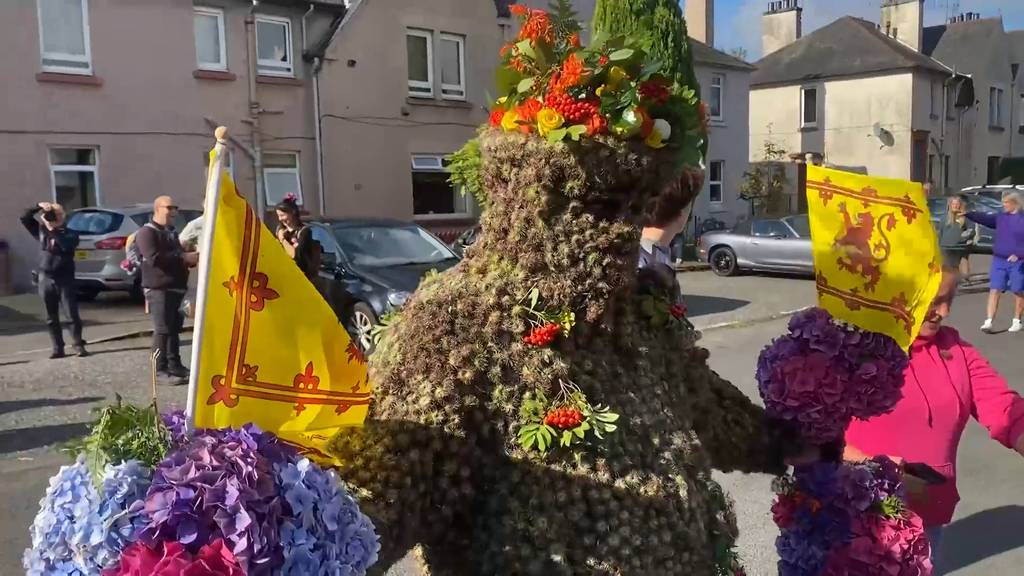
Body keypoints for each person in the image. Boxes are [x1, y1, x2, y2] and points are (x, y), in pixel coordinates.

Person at [844, 268, 1024, 573]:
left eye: (949, 300)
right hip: (858, 520)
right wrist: (872, 464)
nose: (944, 312)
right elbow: (809, 435)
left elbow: (1005, 408)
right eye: (934, 301)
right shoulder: (852, 351)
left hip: (927, 519)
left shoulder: (955, 349)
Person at [135, 196, 197, 384]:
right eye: (169, 208)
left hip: (175, 287)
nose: (173, 212)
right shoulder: (146, 232)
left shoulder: (170, 232)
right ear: (157, 209)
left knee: (174, 329)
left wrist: (190, 259)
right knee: (162, 329)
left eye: (175, 208)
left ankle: (175, 365)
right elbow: (154, 258)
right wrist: (184, 258)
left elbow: (177, 255)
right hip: (158, 288)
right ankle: (159, 369)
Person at [20, 202, 88, 358]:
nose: (54, 218)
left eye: (57, 215)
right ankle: (58, 348)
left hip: (65, 279)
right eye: (52, 215)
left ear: (63, 217)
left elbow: (65, 246)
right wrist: (38, 206)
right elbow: (24, 218)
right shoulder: (41, 231)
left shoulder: (71, 233)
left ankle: (78, 345)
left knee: (71, 314)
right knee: (51, 317)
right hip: (45, 278)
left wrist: (53, 230)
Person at [966, 190, 1024, 332]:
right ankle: (989, 321)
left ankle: (1017, 320)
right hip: (999, 259)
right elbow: (985, 219)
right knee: (995, 289)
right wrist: (968, 214)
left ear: (1015, 203)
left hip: (1018, 262)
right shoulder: (1001, 217)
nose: (1003, 205)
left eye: (1006, 202)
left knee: (1018, 290)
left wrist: (1019, 254)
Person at [274, 194, 320, 279]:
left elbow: (294, 255)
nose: (280, 219)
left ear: (293, 212)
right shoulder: (280, 230)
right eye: (278, 216)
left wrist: (282, 239)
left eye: (282, 215)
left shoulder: (304, 232)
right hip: (284, 276)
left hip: (300, 277)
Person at [936, 195, 975, 281]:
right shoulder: (944, 218)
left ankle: (961, 279)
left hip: (960, 247)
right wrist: (938, 246)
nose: (955, 206)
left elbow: (972, 230)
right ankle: (949, 282)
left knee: (956, 267)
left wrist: (967, 236)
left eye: (957, 204)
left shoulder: (965, 218)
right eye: (953, 204)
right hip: (945, 246)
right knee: (946, 267)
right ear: (950, 205)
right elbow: (940, 232)